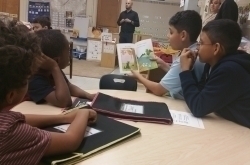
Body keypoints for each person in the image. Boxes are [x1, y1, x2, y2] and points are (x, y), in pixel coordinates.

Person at [0, 22, 97, 164]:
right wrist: (83, 113)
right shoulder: (9, 133)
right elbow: (70, 141)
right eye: (28, 78)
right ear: (11, 95)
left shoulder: (6, 121)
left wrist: (63, 118)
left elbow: (18, 118)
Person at [179, 19, 250, 128]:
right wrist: (190, 69)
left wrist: (185, 71)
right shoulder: (211, 64)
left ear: (216, 48)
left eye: (201, 43)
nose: (198, 47)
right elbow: (200, 94)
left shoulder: (229, 70)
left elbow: (198, 107)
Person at [130, 10, 204, 100]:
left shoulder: (184, 58)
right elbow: (178, 75)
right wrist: (163, 64)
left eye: (171, 32)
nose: (167, 36)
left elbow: (158, 90)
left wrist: (138, 76)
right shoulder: (194, 49)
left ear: (183, 35)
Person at [28, 30, 96, 108]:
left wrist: (88, 95)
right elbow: (65, 102)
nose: (70, 56)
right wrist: (55, 67)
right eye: (68, 52)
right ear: (56, 60)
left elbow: (69, 87)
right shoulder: (34, 78)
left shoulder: (52, 69)